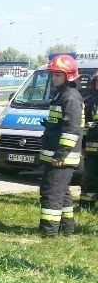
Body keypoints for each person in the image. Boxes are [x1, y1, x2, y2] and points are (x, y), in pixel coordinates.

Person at [39, 55, 84, 236]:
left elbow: (71, 130)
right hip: (57, 155)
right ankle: (67, 229)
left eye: (58, 75)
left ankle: (48, 233)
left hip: (62, 158)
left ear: (69, 76)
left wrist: (60, 155)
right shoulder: (62, 95)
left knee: (52, 194)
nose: (54, 78)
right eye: (53, 74)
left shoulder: (70, 98)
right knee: (63, 193)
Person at [82, 73, 98, 209]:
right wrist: (83, 146)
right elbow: (85, 127)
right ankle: (87, 204)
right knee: (90, 178)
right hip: (92, 152)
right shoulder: (89, 102)